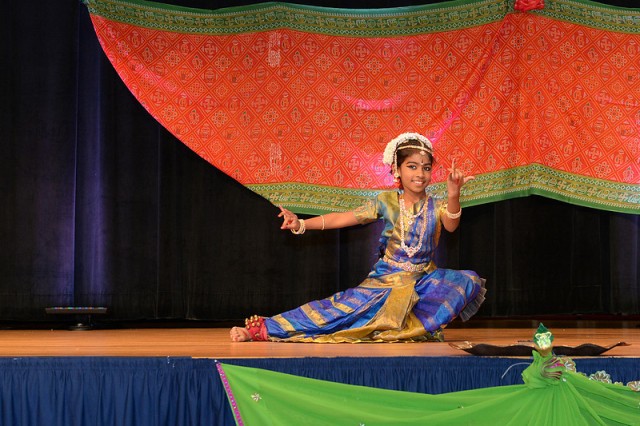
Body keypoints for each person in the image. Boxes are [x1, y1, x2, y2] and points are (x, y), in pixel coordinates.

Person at [230, 132, 486, 342]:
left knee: (466, 280)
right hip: (384, 283)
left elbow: (451, 226)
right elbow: (343, 218)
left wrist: (454, 194)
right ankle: (264, 328)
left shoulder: (436, 204)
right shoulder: (386, 201)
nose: (420, 173)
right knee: (337, 315)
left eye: (426, 168)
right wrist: (301, 224)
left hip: (421, 283)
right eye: (412, 166)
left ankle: (411, 327)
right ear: (397, 170)